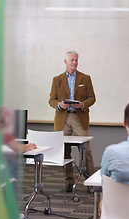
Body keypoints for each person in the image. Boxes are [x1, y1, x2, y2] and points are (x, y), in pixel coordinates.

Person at [49, 50, 96, 192]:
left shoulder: (85, 78)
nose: (74, 62)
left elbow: (92, 98)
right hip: (62, 117)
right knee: (64, 151)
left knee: (86, 150)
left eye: (76, 60)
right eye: (72, 60)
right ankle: (69, 182)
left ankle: (92, 181)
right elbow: (51, 100)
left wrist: (82, 104)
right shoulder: (57, 79)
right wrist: (59, 105)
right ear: (65, 62)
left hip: (78, 117)